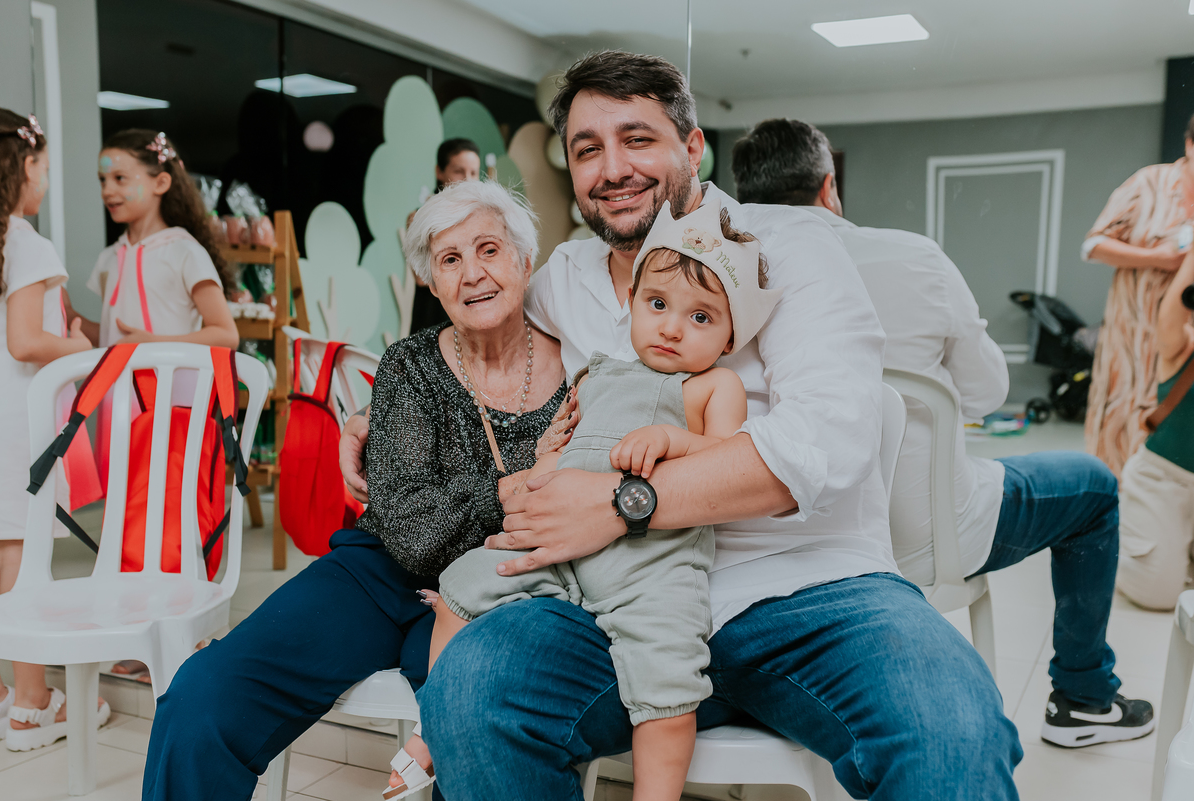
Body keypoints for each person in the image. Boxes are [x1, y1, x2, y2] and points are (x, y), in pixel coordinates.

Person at [342, 51, 1021, 799]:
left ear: (693, 147)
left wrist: (623, 502)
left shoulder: (789, 248)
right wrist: (382, 406)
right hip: (607, 602)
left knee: (954, 730)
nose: (612, 167)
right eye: (587, 148)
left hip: (811, 592)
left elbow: (830, 438)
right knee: (471, 687)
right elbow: (483, 337)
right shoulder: (564, 276)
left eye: (638, 138)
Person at [730, 117, 1155, 748]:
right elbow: (987, 395)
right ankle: (1085, 697)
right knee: (1091, 486)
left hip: (767, 549)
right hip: (926, 539)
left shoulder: (712, 272)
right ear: (829, 189)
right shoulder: (913, 255)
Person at [140, 179, 568, 801]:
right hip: (380, 574)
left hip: (503, 592)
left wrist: (475, 512)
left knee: (475, 722)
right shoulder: (410, 364)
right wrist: (513, 490)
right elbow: (407, 526)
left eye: (489, 250)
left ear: (525, 260)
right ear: (431, 281)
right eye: (450, 260)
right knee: (205, 693)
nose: (473, 273)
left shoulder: (581, 367)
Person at [385, 197, 777, 801]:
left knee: (666, 688)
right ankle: (431, 731)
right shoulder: (598, 372)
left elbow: (727, 463)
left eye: (701, 318)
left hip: (653, 567)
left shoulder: (711, 387)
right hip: (563, 551)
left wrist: (674, 439)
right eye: (658, 305)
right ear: (632, 307)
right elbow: (569, 441)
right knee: (462, 588)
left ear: (729, 339)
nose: (672, 327)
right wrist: (547, 454)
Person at [63, 129, 239, 684]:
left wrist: (152, 346)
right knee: (133, 519)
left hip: (178, 410)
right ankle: (142, 633)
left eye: (121, 178)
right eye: (102, 180)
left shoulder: (184, 249)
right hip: (126, 410)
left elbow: (224, 333)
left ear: (161, 182)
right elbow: (112, 336)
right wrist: (71, 323)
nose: (109, 190)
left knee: (175, 519)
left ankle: (179, 634)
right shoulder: (111, 257)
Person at [0, 108, 109, 750]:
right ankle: (33, 706)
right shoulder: (27, 242)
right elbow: (22, 342)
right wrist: (74, 343)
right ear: (22, 168)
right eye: (41, 165)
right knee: (19, 553)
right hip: (12, 419)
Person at [1083, 114, 1194, 477]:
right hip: (1131, 339)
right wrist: (1157, 259)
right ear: (1189, 145)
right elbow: (1094, 244)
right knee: (1117, 428)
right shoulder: (1149, 182)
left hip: (1182, 350)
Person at [1117, 249, 1194, 609]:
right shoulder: (1182, 346)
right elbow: (1173, 310)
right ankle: (1111, 536)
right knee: (1159, 595)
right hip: (1162, 480)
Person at [409, 138, 483, 334]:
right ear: (439, 172)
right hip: (433, 311)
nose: (468, 179)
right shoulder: (420, 216)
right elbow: (422, 278)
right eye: (459, 171)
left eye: (474, 173)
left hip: (470, 306)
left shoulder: (482, 217)